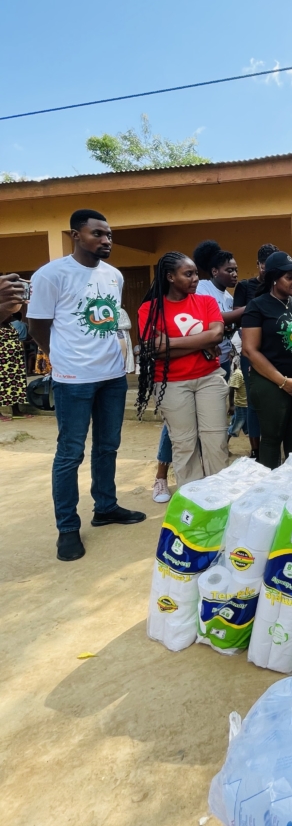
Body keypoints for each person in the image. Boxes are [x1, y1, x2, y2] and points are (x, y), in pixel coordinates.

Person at [27, 210, 145, 562]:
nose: (106, 240)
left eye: (109, 234)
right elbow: (37, 326)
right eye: (97, 234)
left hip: (112, 376)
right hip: (73, 380)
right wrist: (59, 358)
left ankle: (105, 507)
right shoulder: (51, 275)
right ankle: (67, 527)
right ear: (75, 235)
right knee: (70, 454)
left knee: (108, 445)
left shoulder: (114, 275)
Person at [136, 252, 228, 486]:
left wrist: (170, 343)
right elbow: (152, 350)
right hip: (172, 383)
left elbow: (216, 334)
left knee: (215, 440)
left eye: (196, 273)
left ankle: (218, 495)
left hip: (209, 379)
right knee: (184, 443)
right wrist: (202, 343)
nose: (196, 278)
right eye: (189, 274)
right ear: (170, 277)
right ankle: (192, 498)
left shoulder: (206, 302)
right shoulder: (150, 309)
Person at [240, 251, 292, 468]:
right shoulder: (257, 306)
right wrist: (282, 381)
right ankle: (269, 488)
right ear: (274, 279)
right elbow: (250, 350)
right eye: (290, 277)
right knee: (273, 437)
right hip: (269, 383)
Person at [233, 243, 280, 460]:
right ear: (258, 265)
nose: (268, 271)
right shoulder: (245, 287)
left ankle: (271, 446)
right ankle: (255, 448)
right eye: (264, 266)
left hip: (275, 350)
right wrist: (259, 305)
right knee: (254, 400)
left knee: (275, 397)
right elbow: (238, 317)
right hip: (251, 351)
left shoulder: (280, 287)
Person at [193, 240, 243, 379]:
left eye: (236, 270)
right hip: (205, 360)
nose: (234, 274)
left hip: (224, 360)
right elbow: (208, 319)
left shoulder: (229, 298)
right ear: (215, 271)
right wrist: (248, 308)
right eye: (229, 270)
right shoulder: (202, 288)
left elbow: (229, 323)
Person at [0, 286, 30, 420]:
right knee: (3, 385)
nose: (10, 316)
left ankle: (17, 410)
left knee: (17, 384)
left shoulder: (10, 325)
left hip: (15, 360)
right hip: (3, 361)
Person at [228, 356, 249, 441]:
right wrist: (232, 405)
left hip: (246, 405)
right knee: (234, 428)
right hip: (241, 406)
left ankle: (254, 450)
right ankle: (224, 447)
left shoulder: (244, 372)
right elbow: (231, 389)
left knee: (249, 429)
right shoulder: (238, 373)